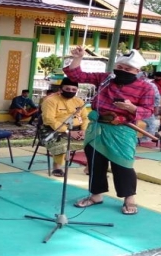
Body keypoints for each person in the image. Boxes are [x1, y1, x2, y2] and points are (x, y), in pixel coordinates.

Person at [65, 46, 155, 215]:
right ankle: (95, 195)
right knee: (95, 163)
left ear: (137, 71)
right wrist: (77, 58)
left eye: (127, 69)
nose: (122, 71)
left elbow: (149, 110)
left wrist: (131, 108)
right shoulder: (105, 79)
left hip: (122, 130)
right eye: (119, 67)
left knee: (123, 165)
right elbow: (76, 75)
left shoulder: (146, 88)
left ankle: (129, 198)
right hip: (97, 127)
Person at [40, 78, 89, 177]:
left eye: (73, 90)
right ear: (61, 89)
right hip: (52, 130)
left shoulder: (79, 101)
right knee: (63, 143)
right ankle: (57, 167)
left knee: (96, 141)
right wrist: (68, 132)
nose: (70, 91)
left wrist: (84, 130)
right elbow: (49, 120)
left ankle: (90, 168)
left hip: (77, 130)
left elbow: (85, 118)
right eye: (68, 89)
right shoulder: (50, 101)